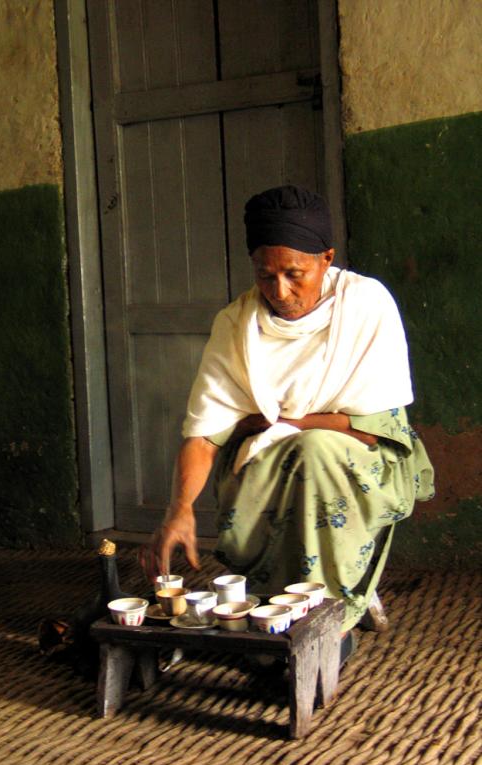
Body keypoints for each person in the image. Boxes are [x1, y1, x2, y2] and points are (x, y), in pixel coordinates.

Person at [143, 185, 434, 634]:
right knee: (296, 454)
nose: (279, 290)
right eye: (265, 275)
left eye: (295, 274)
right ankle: (271, 610)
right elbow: (205, 433)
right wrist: (179, 507)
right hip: (271, 463)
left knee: (314, 451)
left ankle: (323, 617)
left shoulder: (365, 305)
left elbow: (373, 428)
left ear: (326, 258)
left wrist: (284, 421)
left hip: (368, 463)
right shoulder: (236, 325)